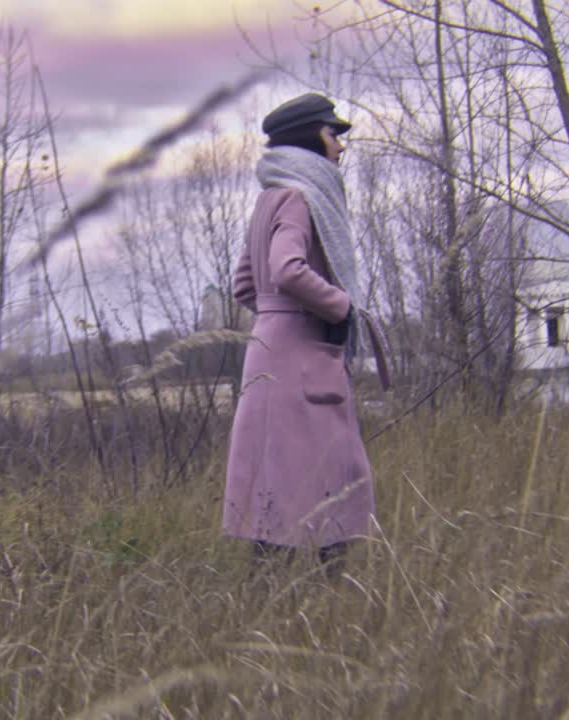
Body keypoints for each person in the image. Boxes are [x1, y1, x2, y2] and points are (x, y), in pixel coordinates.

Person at [222, 93, 390, 570]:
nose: (339, 145)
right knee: (329, 481)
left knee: (274, 488)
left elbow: (244, 285)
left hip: (268, 349)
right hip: (300, 358)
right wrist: (341, 308)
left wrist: (276, 317)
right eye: (333, 134)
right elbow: (287, 269)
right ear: (310, 138)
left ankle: (267, 602)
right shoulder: (300, 197)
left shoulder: (268, 199)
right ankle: (325, 601)